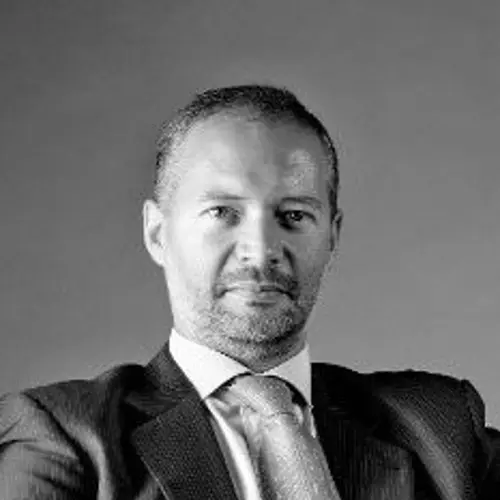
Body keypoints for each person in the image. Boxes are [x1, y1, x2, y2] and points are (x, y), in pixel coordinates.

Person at [0, 84, 498, 499]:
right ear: (157, 232)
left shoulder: (441, 428)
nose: (260, 250)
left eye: (294, 215)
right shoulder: (67, 437)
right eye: (223, 212)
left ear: (332, 236)